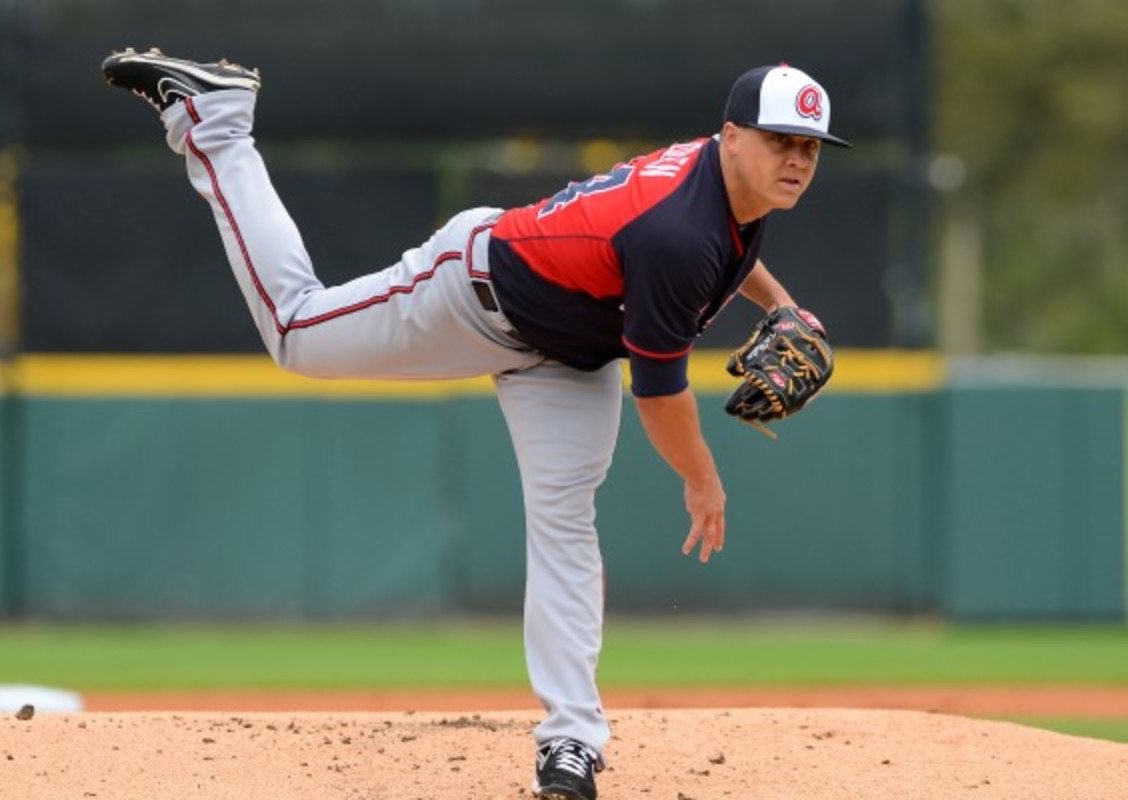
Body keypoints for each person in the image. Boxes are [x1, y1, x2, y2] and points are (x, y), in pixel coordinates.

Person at [102, 48, 849, 800]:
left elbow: (731, 255)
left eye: (809, 147)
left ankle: (571, 745)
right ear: (730, 135)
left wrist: (781, 307)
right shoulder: (677, 234)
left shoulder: (732, 191)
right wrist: (703, 481)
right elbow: (659, 394)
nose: (797, 160)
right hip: (474, 292)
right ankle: (218, 122)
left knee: (564, 522)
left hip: (568, 354)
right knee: (295, 331)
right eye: (780, 140)